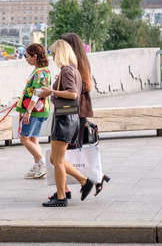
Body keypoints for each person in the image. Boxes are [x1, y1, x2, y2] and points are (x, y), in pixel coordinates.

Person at [39, 40, 93, 207]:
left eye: (54, 53)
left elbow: (72, 94)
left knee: (58, 160)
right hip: (67, 118)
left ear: (60, 53)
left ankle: (61, 197)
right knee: (55, 159)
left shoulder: (67, 70)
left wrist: (51, 92)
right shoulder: (72, 69)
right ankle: (84, 181)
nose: (52, 56)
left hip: (65, 118)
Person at [61, 33, 110, 196]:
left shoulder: (77, 64)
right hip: (72, 110)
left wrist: (68, 88)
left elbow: (87, 86)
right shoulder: (75, 62)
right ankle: (66, 189)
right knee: (65, 151)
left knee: (63, 152)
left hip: (75, 110)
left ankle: (69, 189)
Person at [16, 43, 51, 179]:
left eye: (27, 56)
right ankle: (38, 166)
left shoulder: (39, 72)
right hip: (42, 109)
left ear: (35, 56)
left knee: (24, 138)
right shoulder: (44, 70)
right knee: (33, 139)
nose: (26, 58)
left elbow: (37, 92)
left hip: (35, 110)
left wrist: (29, 110)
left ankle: (42, 163)